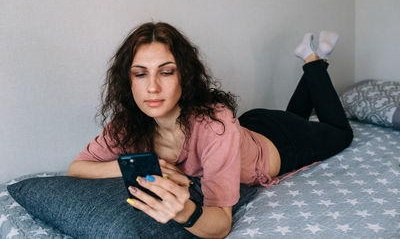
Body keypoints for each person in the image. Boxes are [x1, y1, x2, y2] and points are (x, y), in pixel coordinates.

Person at [67, 22, 353, 238]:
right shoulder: (127, 125)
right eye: (140, 74)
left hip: (281, 143)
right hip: (246, 127)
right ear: (128, 82)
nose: (152, 87)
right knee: (296, 117)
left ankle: (314, 60)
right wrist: (130, 166)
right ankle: (314, 60)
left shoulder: (214, 125)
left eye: (166, 72)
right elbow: (78, 168)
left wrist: (185, 213)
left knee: (340, 133)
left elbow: (221, 224)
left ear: (185, 77)